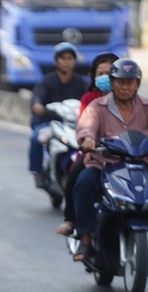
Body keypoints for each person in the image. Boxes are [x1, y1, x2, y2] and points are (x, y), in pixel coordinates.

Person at [72, 58, 148, 263]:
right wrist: (88, 138)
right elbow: (87, 126)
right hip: (104, 165)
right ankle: (86, 237)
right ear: (112, 82)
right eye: (120, 81)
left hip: (142, 166)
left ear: (137, 84)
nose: (124, 86)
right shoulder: (97, 106)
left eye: (129, 82)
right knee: (83, 183)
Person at [54, 52, 119, 235]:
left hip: (127, 154)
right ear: (93, 76)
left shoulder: (135, 101)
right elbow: (84, 125)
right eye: (100, 73)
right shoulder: (90, 100)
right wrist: (89, 140)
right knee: (77, 177)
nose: (104, 77)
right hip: (97, 152)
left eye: (109, 72)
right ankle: (71, 220)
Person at [29, 42, 88, 188]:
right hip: (50, 123)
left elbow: (89, 99)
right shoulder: (47, 81)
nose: (66, 61)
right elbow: (38, 96)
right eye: (63, 58)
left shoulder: (81, 82)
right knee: (37, 138)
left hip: (74, 124)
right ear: (56, 61)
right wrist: (38, 106)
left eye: (70, 58)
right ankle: (39, 173)